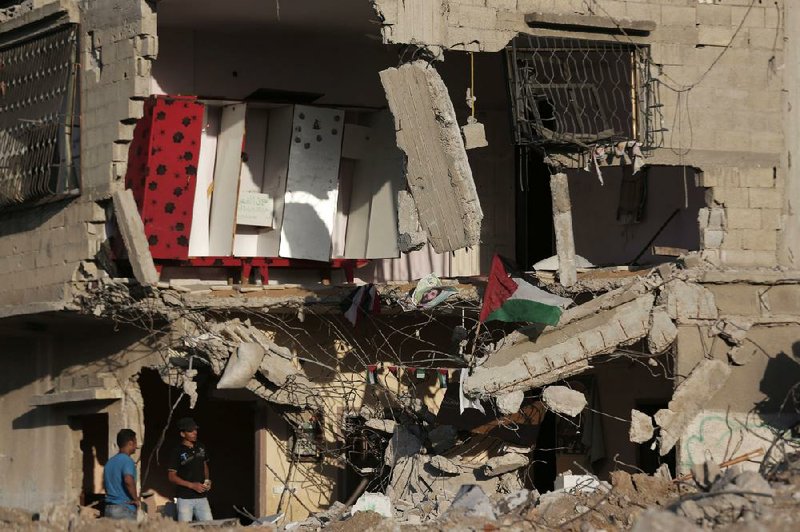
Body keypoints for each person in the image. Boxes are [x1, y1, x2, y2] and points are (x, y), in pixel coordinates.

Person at [167, 417, 213, 522]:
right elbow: (171, 477)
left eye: (195, 429)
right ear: (183, 434)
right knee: (185, 528)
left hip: (202, 497)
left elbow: (204, 464)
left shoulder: (201, 447)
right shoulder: (177, 451)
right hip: (184, 499)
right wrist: (192, 485)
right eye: (190, 431)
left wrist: (207, 480)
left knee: (210, 527)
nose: (194, 432)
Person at [103, 428, 139, 520]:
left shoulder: (109, 462)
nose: (136, 446)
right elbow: (128, 479)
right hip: (124, 509)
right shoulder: (127, 461)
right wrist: (136, 499)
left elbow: (106, 485)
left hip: (109, 509)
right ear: (130, 443)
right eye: (135, 442)